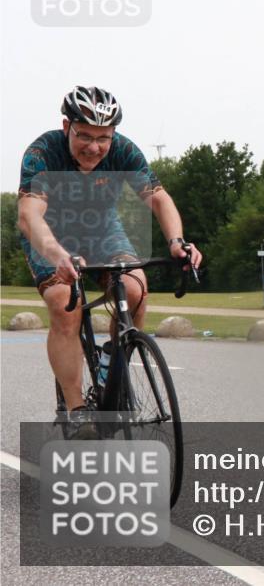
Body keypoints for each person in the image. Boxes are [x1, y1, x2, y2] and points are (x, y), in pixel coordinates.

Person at [17, 86, 203, 436]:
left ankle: (112, 366)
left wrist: (177, 242)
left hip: (101, 228)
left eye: (103, 138)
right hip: (51, 233)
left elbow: (158, 197)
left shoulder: (124, 151)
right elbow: (30, 216)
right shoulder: (42, 152)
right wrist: (57, 255)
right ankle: (77, 411)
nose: (94, 147)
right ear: (66, 126)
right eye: (84, 135)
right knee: (63, 304)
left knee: (135, 288)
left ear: (113, 134)